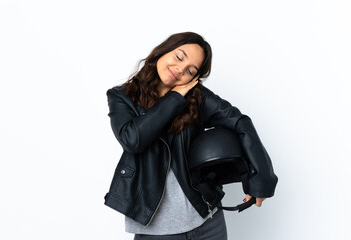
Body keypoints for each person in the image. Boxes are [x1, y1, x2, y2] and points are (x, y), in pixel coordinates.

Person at [104, 32, 278, 240]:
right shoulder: (122, 96)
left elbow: (240, 122)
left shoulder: (197, 98)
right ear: (163, 51)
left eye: (191, 70)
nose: (180, 69)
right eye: (179, 57)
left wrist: (261, 179)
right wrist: (175, 97)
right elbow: (133, 139)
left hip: (207, 220)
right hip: (155, 230)